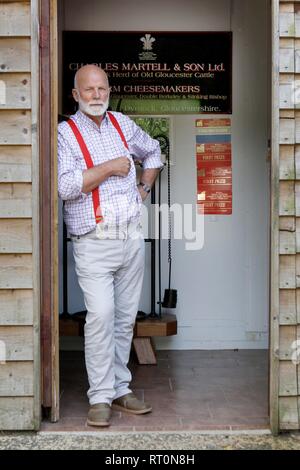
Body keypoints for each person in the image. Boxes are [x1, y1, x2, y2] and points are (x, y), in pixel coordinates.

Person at [58, 64, 163, 427]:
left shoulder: (122, 123)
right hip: (93, 240)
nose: (97, 95)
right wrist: (112, 167)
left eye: (102, 88)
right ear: (76, 95)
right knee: (100, 316)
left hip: (130, 237)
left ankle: (120, 388)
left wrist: (143, 187)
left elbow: (153, 152)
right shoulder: (65, 134)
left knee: (123, 319)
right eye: (89, 90)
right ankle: (99, 395)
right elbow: (66, 186)